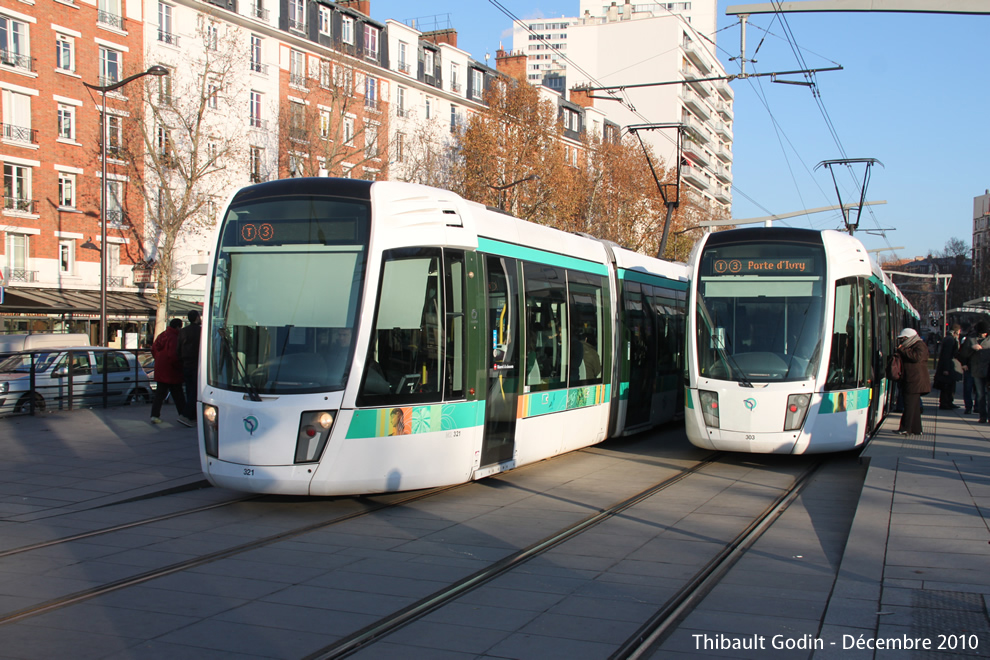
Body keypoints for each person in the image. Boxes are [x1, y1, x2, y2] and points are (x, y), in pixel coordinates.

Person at [150, 318, 186, 425]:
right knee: (178, 394)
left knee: (159, 394)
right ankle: (183, 415)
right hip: (171, 370)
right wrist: (180, 367)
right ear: (178, 327)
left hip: (160, 368)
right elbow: (173, 356)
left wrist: (159, 360)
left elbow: (154, 349)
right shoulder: (174, 338)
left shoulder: (162, 335)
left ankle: (154, 415)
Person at [896, 328, 930, 436]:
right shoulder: (915, 345)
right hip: (913, 380)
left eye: (903, 339)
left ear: (908, 338)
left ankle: (905, 428)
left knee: (909, 405)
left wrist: (902, 350)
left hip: (914, 381)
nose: (901, 342)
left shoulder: (919, 345)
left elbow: (916, 357)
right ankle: (916, 429)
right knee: (914, 406)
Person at [176, 309, 202, 427]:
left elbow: (178, 348)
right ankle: (186, 415)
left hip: (186, 363)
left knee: (190, 389)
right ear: (197, 317)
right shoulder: (201, 331)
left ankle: (191, 416)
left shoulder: (183, 331)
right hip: (197, 362)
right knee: (195, 391)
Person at [965, 321, 990, 423]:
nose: (984, 334)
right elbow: (964, 353)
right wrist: (972, 349)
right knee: (980, 394)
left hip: (988, 370)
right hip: (977, 370)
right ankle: (982, 415)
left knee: (987, 394)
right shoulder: (971, 339)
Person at [935, 324, 962, 410]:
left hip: (948, 365)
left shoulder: (949, 338)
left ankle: (948, 402)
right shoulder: (950, 340)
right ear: (957, 331)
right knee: (947, 385)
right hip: (948, 366)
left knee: (949, 385)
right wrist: (946, 369)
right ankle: (946, 402)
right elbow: (947, 355)